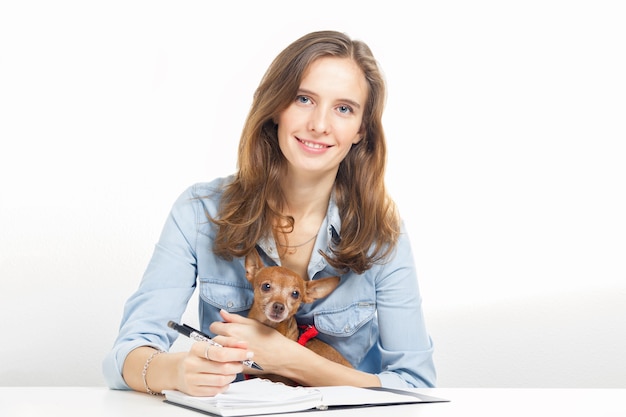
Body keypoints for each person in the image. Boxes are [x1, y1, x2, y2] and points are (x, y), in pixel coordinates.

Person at [102, 30, 436, 396]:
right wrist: (176, 371)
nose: (320, 124)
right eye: (304, 99)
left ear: (361, 130)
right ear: (276, 106)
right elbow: (125, 357)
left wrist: (292, 359)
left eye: (344, 108)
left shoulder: (381, 234)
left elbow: (415, 383)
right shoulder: (200, 213)